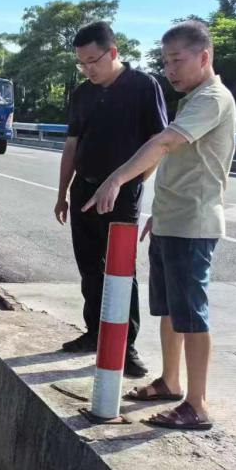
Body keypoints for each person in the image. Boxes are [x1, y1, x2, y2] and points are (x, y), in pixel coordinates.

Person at [82, 20, 236, 430]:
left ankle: (197, 405)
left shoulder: (213, 98)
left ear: (204, 57)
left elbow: (163, 143)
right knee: (168, 310)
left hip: (194, 225)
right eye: (165, 61)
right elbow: (178, 164)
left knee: (192, 314)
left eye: (178, 60)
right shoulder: (192, 100)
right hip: (171, 221)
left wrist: (117, 177)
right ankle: (170, 381)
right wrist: (158, 214)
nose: (170, 70)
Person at [55, 20, 168, 378]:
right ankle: (93, 332)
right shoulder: (82, 94)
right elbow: (71, 145)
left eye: (93, 61)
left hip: (122, 194)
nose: (88, 69)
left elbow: (158, 145)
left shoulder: (143, 87)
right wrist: (62, 195)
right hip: (84, 189)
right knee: (89, 265)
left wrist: (133, 184)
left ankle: (126, 344)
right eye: (81, 63)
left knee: (120, 270)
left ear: (113, 53)